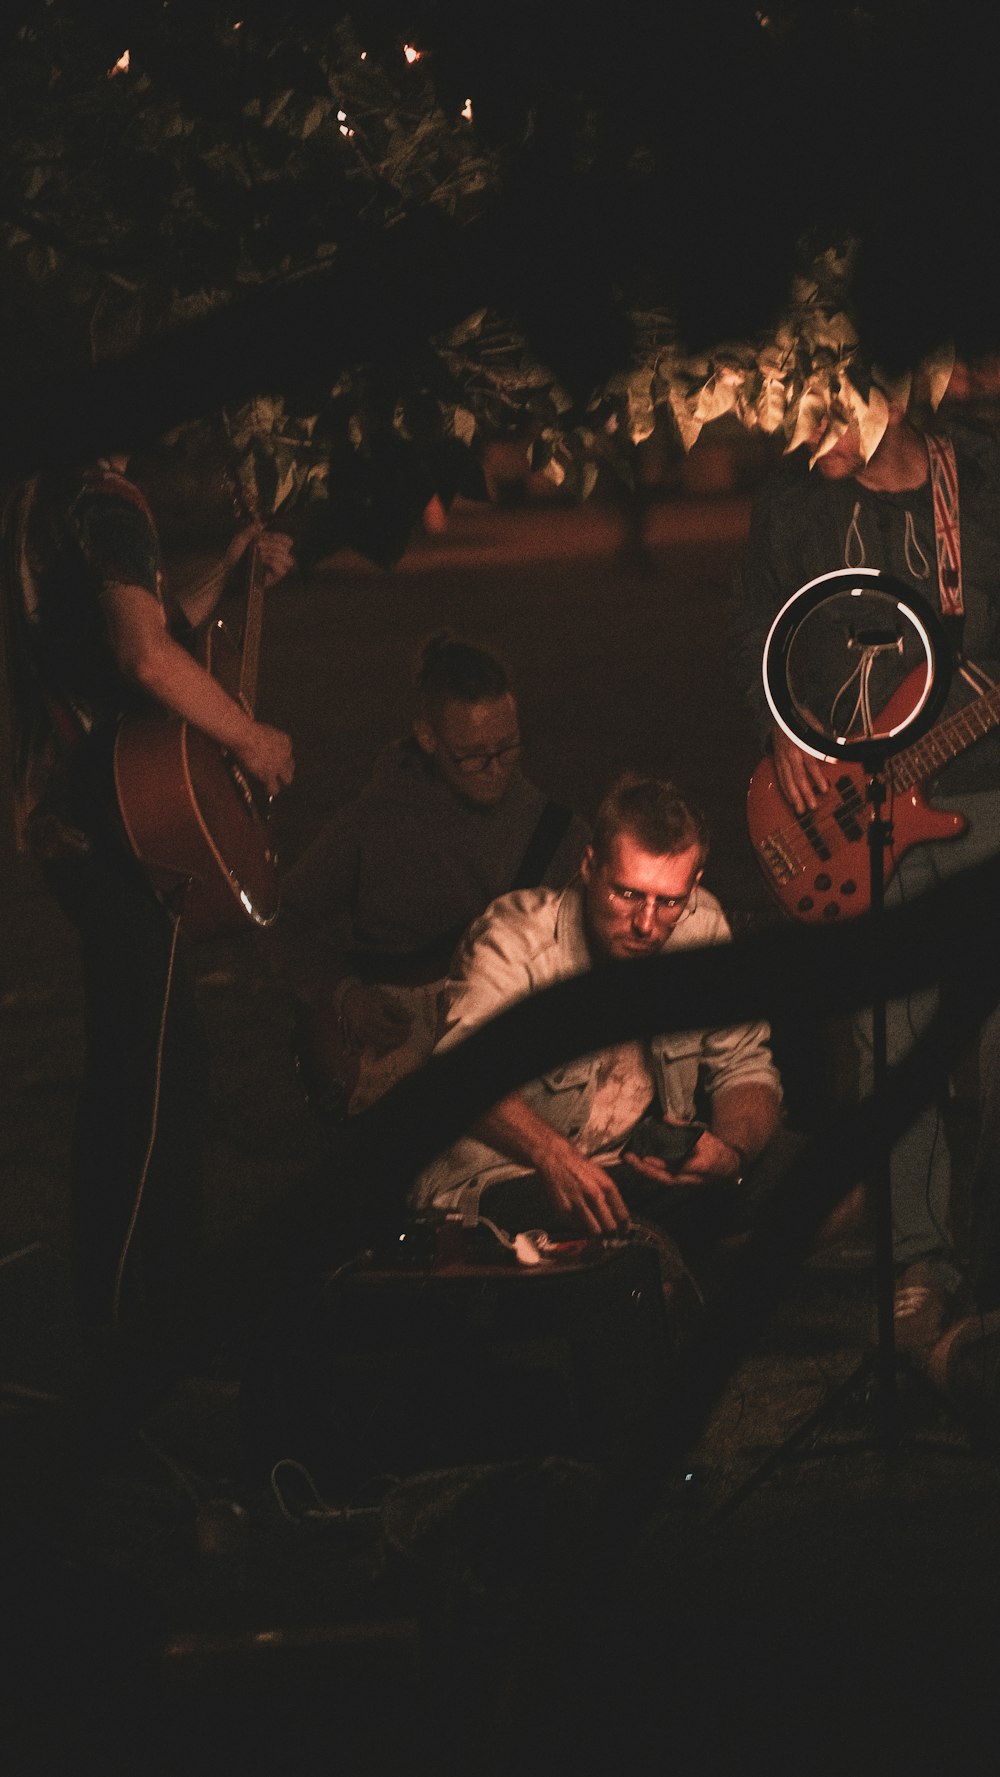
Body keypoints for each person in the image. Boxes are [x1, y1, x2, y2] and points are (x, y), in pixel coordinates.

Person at [1, 440, 296, 1336]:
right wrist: (248, 738)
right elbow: (143, 655)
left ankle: (138, 1294)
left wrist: (229, 570)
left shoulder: (44, 495)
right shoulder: (104, 497)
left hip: (74, 808)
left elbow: (142, 624)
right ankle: (136, 1312)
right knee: (151, 1070)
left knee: (153, 1053)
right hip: (110, 810)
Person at [728, 388, 1000, 1351]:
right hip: (852, 819)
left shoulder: (982, 472)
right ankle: (921, 1266)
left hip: (989, 793)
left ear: (886, 386)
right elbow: (753, 635)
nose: (803, 438)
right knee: (895, 1050)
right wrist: (780, 728)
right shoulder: (790, 502)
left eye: (823, 409)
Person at [410, 773, 782, 1291]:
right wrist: (551, 1155)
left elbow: (744, 1065)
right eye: (627, 894)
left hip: (636, 1170)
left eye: (669, 901)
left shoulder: (703, 929)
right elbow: (460, 1077)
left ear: (693, 887)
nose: (646, 923)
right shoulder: (514, 940)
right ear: (589, 867)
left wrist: (730, 1151)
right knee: (627, 1224)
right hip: (502, 1178)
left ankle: (687, 1270)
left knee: (838, 1172)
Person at [274, 634, 589, 1116]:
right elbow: (287, 914)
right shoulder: (374, 822)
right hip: (398, 1053)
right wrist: (345, 994)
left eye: (507, 748)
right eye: (473, 755)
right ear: (427, 737)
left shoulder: (557, 835)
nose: (494, 769)